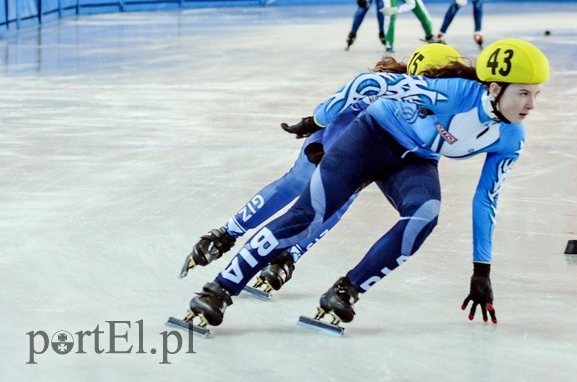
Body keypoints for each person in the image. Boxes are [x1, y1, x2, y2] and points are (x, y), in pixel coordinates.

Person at [183, 38, 549, 329]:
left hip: (414, 159)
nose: (531, 104)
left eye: (537, 93)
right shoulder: (451, 93)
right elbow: (367, 83)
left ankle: (346, 290)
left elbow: (486, 199)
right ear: (495, 88)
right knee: (308, 215)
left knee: (425, 214)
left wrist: (481, 269)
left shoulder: (511, 138)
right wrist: (318, 119)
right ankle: (220, 289)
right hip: (373, 136)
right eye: (523, 93)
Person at [180, 43, 465, 297]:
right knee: (299, 181)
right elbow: (343, 114)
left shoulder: (454, 104)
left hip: (382, 154)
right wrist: (326, 147)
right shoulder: (389, 91)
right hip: (334, 138)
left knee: (340, 200)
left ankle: (291, 254)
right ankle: (228, 232)